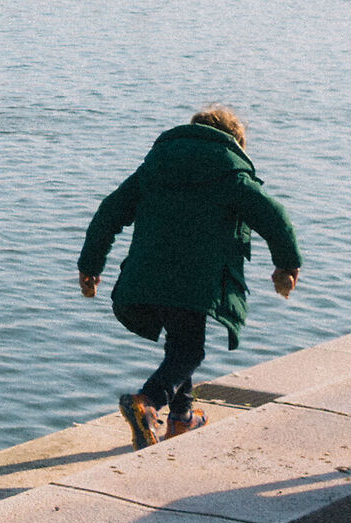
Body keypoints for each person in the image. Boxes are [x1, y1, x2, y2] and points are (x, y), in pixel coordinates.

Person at [77, 106, 301, 450]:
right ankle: (147, 403)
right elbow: (275, 216)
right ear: (235, 141)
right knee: (190, 351)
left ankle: (181, 418)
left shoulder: (153, 169)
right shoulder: (230, 173)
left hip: (145, 275)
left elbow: (109, 212)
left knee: (179, 344)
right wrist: (287, 264)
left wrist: (90, 265)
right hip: (194, 281)